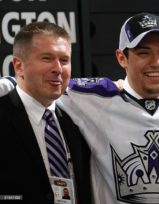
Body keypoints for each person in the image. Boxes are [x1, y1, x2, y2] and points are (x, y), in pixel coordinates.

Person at [0, 13, 159, 204]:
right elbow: (26, 84)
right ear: (122, 58)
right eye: (143, 52)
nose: (157, 62)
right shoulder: (90, 97)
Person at [0, 22, 91, 203]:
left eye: (64, 60)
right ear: (18, 66)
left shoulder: (78, 122)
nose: (58, 69)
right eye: (47, 58)